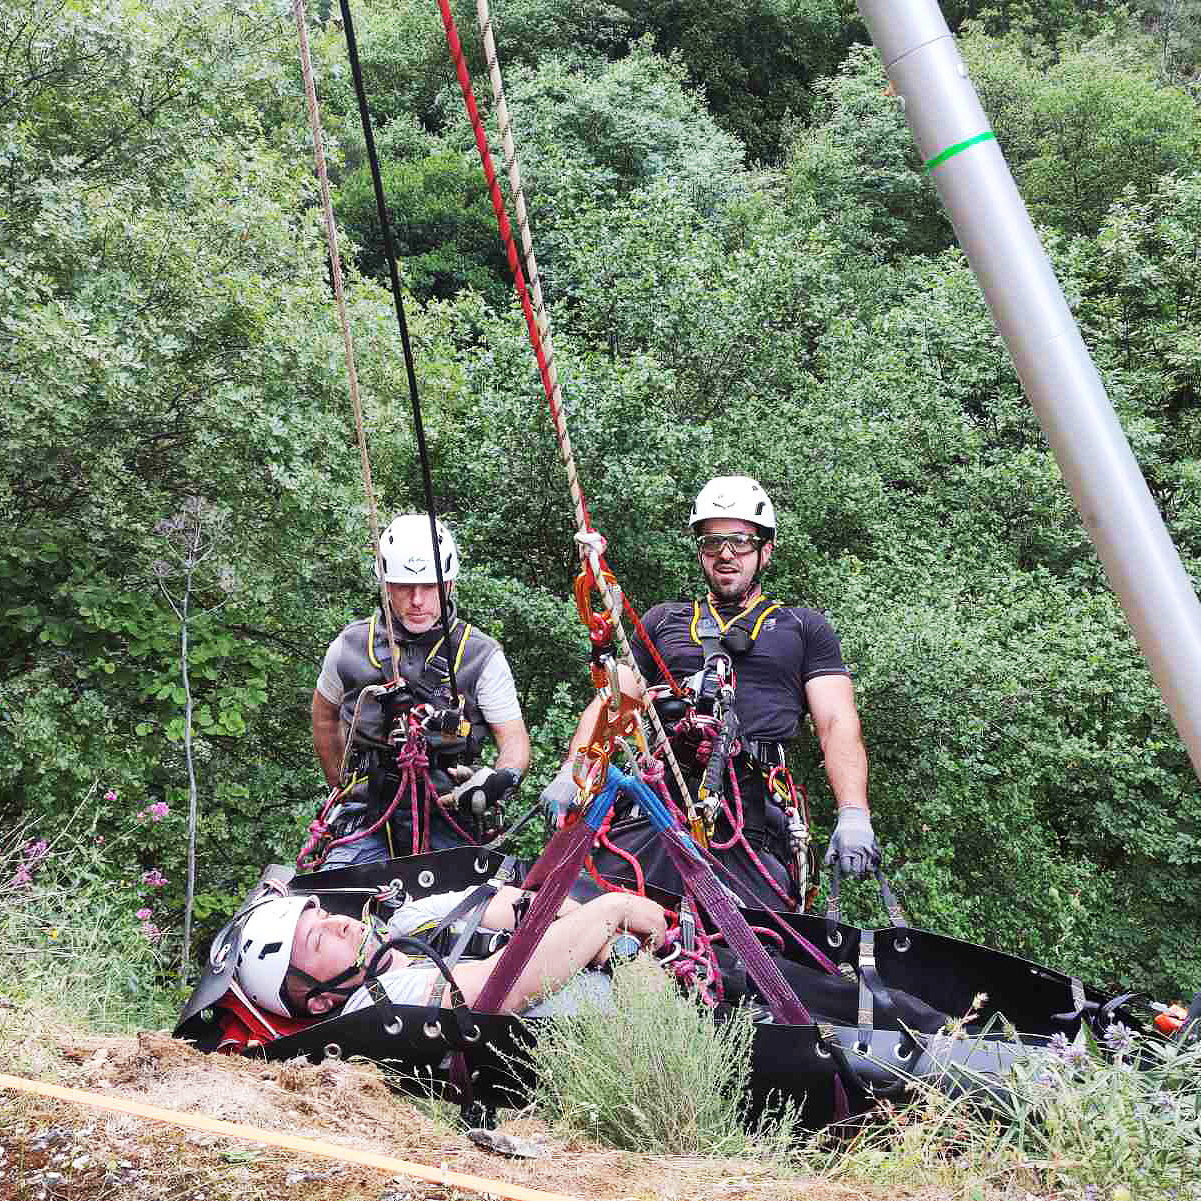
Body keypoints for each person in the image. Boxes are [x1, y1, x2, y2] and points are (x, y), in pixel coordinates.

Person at [543, 476, 877, 908]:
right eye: (712, 542)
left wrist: (853, 811)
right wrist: (574, 771)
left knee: (762, 953)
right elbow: (614, 701)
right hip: (660, 805)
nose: (725, 554)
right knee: (574, 908)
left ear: (765, 550)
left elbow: (836, 722)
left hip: (752, 814)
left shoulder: (803, 628)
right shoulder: (663, 622)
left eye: (739, 541)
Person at [311, 513, 531, 865]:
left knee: (459, 912)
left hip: (448, 810)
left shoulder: (480, 655)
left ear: (449, 585)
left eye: (429, 587)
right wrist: (340, 784)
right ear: (385, 587)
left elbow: (515, 742)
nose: (417, 600)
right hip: (366, 813)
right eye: (403, 587)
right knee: (336, 899)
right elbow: (323, 718)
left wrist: (499, 778)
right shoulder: (350, 646)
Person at [232, 886, 668, 1019]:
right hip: (638, 1018)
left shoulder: (408, 923)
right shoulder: (380, 1004)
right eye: (318, 939)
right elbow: (497, 988)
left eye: (324, 914)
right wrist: (612, 913)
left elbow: (517, 905)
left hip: (641, 976)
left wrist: (611, 943)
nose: (339, 923)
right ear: (321, 998)